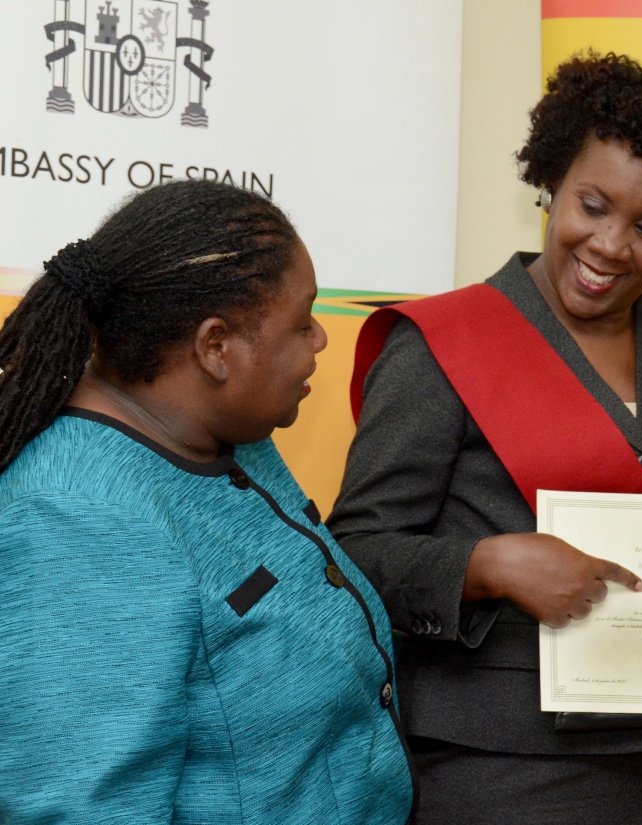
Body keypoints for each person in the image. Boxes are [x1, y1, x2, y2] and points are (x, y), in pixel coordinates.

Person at [329, 52, 642, 824]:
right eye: (592, 205)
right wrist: (487, 563)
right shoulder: (443, 341)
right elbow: (353, 551)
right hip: (496, 765)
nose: (612, 245)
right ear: (551, 184)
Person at [0, 180, 414, 823]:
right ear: (215, 347)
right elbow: (81, 806)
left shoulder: (225, 430)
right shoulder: (78, 520)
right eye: (302, 322)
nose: (320, 342)